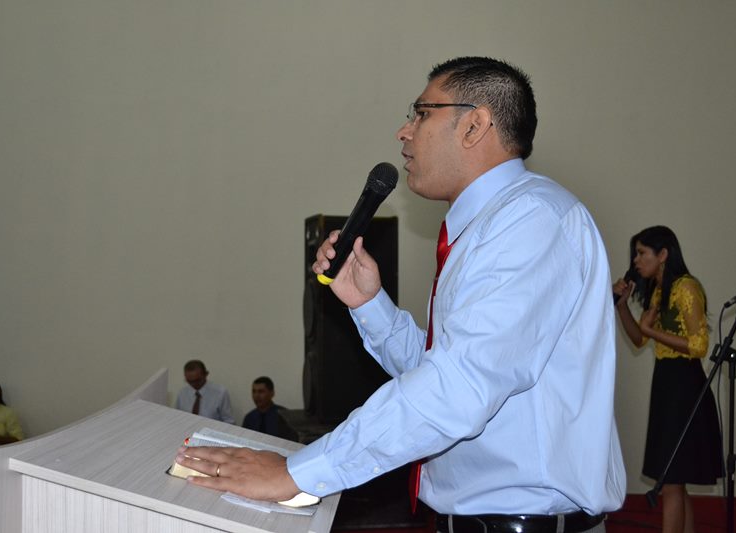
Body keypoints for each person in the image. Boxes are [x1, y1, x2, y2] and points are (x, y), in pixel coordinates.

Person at [175, 56, 625, 532]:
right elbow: (440, 370)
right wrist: (370, 304)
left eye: (422, 113)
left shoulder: (532, 221)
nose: (404, 131)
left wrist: (296, 474)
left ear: (474, 125)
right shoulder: (488, 226)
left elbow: (457, 388)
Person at [613, 226, 722, 533]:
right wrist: (622, 307)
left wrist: (651, 330)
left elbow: (699, 345)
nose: (636, 261)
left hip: (685, 385)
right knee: (675, 479)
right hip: (666, 382)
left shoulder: (686, 287)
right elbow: (639, 340)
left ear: (663, 254)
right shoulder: (659, 290)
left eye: (642, 253)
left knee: (671, 480)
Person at [175, 360, 235, 424]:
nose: (193, 384)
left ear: (206, 374)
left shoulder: (220, 393)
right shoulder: (182, 393)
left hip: (211, 429)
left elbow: (229, 421)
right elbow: (177, 416)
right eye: (189, 381)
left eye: (197, 380)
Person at [242, 376, 298, 441]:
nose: (256, 395)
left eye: (261, 391)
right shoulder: (249, 418)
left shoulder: (284, 416)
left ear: (272, 393)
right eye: (254, 391)